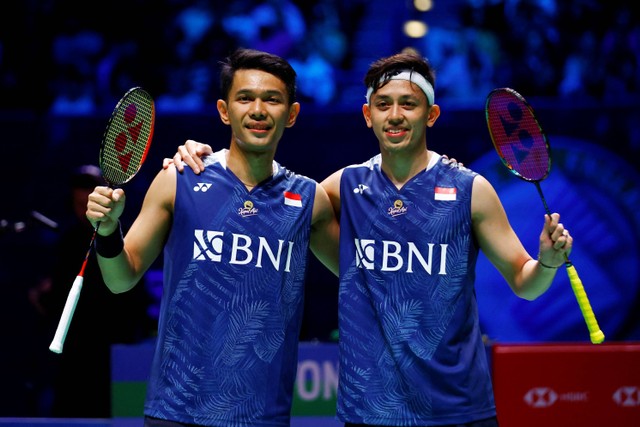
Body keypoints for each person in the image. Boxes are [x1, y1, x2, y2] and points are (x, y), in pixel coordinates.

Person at [169, 51, 572, 427]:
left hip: (457, 409)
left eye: (408, 105)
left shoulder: (471, 189)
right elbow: (264, 192)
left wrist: (548, 261)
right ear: (367, 115)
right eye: (383, 105)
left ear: (431, 114)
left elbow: (525, 281)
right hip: (369, 411)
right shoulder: (346, 186)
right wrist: (196, 161)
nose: (395, 116)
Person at [86, 48, 339, 427]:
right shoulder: (179, 179)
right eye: (245, 98)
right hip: (177, 411)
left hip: (263, 416)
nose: (258, 110)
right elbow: (122, 278)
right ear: (224, 110)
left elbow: (362, 274)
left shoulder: (307, 199)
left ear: (292, 114)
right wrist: (107, 231)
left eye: (272, 100)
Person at [29, 165, 152, 417]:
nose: (85, 209)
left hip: (112, 352)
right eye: (79, 203)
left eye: (89, 200)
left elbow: (134, 295)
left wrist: (45, 297)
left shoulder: (124, 236)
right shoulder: (69, 240)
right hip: (72, 355)